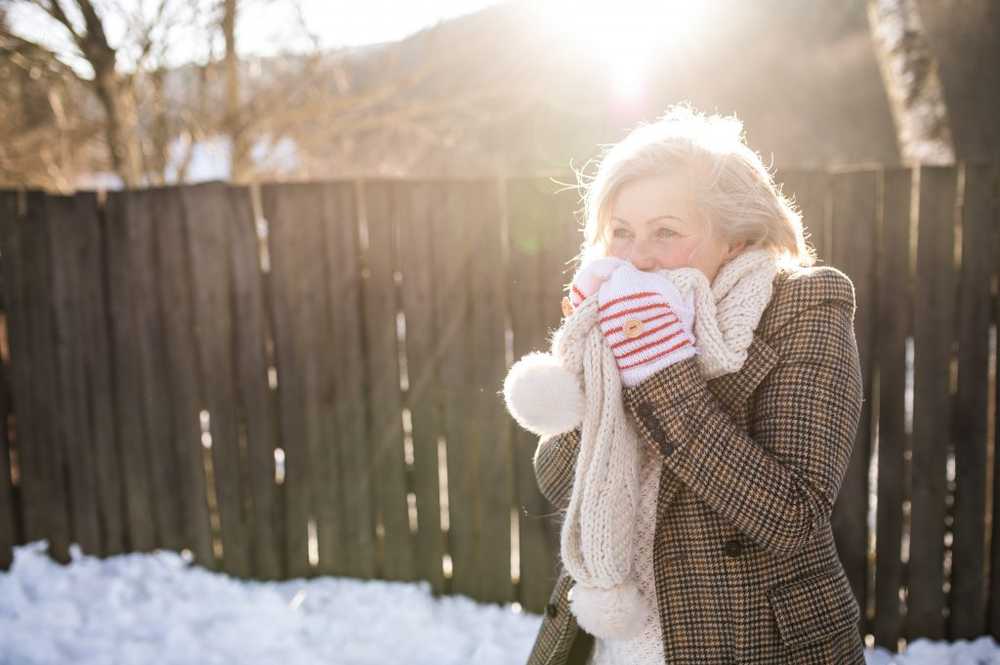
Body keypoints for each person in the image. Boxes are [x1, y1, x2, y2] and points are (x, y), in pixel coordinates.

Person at [523, 105, 866, 665]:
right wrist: (592, 367)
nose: (637, 257)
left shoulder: (804, 306)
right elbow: (560, 481)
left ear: (735, 237)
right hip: (618, 642)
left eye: (666, 232)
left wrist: (657, 372)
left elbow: (790, 516)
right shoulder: (618, 317)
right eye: (622, 233)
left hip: (751, 643)